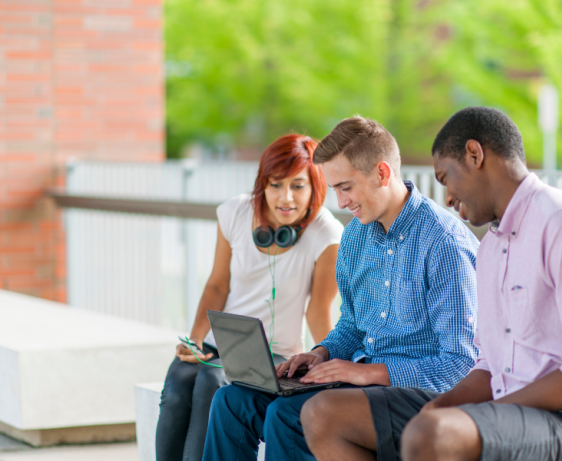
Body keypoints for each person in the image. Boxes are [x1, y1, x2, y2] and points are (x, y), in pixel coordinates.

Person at [302, 107, 562, 461]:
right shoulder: (493, 247)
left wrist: (490, 410)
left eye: (446, 179)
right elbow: (487, 364)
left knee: (432, 434)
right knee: (323, 415)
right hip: (513, 414)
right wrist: (441, 405)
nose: (448, 199)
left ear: (475, 155)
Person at [202, 116, 480, 461]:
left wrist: (367, 372)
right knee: (232, 401)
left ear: (382, 173)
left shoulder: (444, 244)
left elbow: (458, 365)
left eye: (345, 187)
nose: (340, 201)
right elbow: (351, 327)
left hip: (416, 394)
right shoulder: (355, 236)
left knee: (286, 415)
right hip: (361, 383)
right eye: (334, 189)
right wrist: (321, 353)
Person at [155, 134, 344, 461]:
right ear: (263, 186)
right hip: (221, 342)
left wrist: (324, 365)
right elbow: (217, 285)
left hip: (276, 354)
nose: (286, 198)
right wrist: (196, 338)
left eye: (298, 186)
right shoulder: (235, 213)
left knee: (211, 384)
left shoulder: (325, 233)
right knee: (177, 385)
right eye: (275, 185)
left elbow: (318, 310)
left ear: (315, 186)